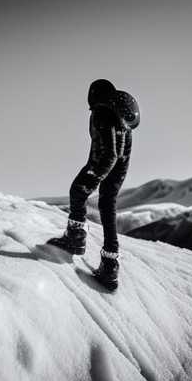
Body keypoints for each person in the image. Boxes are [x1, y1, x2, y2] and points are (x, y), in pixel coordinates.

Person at [47, 79, 140, 291]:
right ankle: (110, 264)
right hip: (120, 168)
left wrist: (95, 174)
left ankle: (75, 239)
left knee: (77, 191)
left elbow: (109, 152)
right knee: (108, 205)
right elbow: (121, 154)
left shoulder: (102, 112)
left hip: (103, 163)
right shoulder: (121, 115)